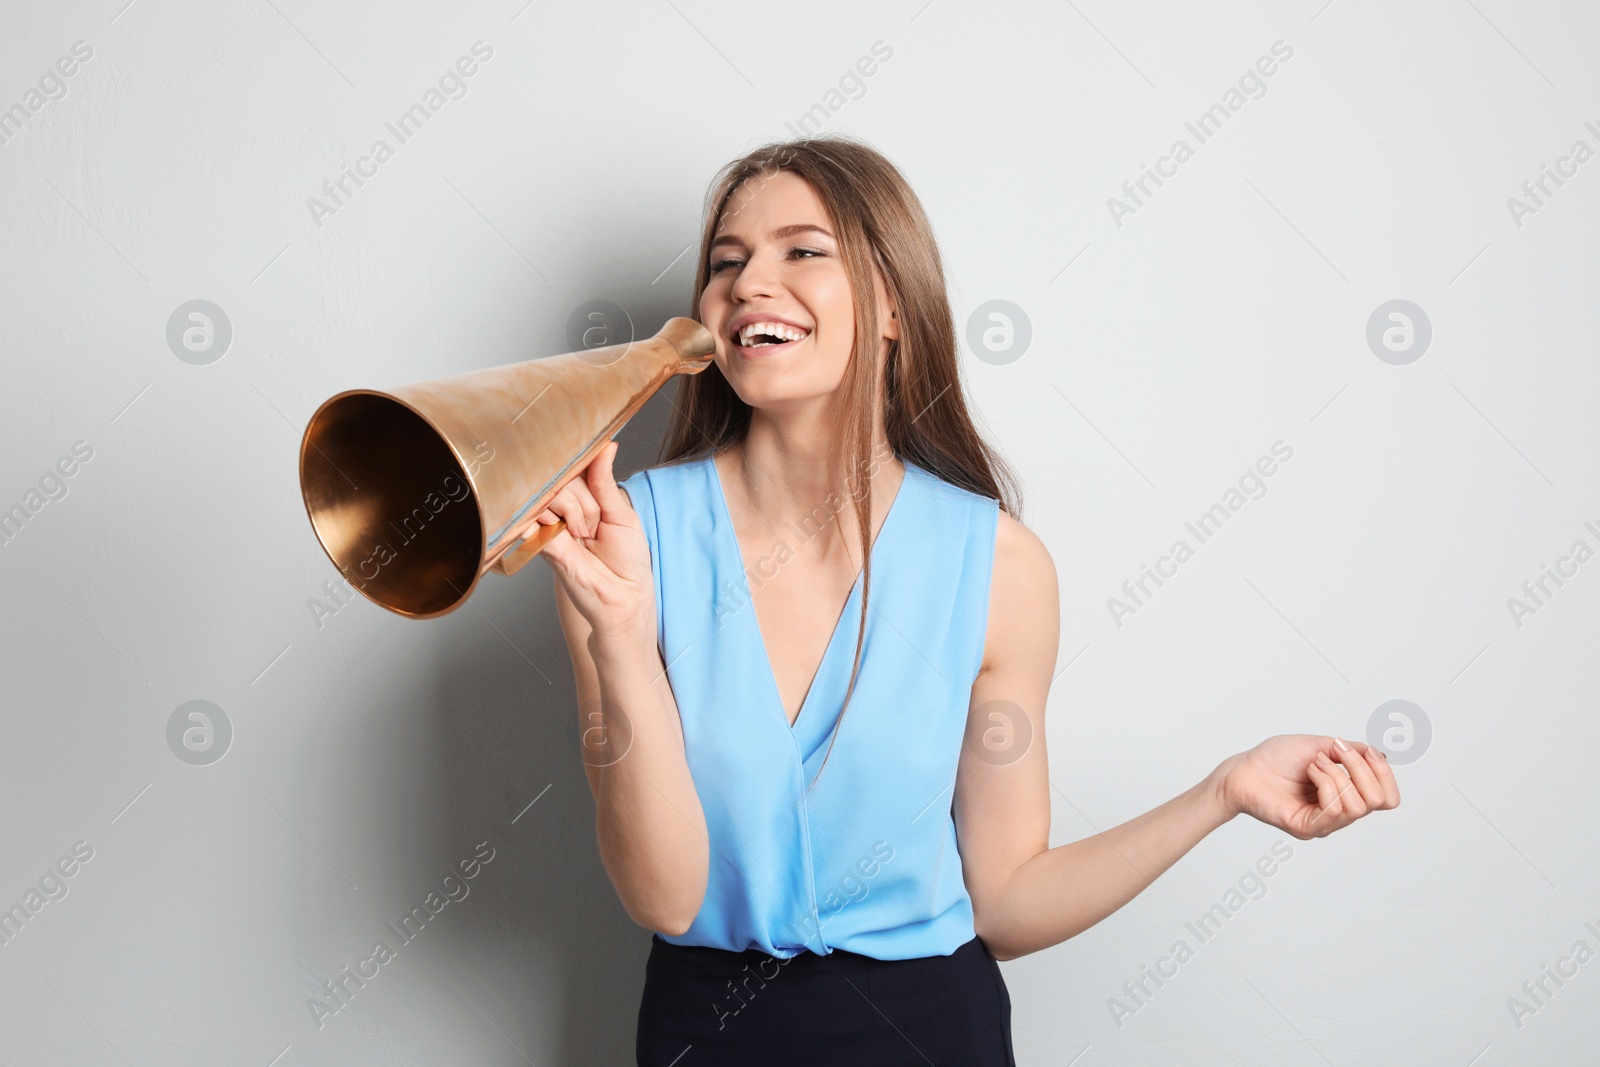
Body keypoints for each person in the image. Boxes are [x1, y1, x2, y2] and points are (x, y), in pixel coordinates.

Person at [529, 136, 1400, 1065]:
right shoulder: (622, 544)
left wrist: (1222, 791)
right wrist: (620, 634)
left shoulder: (1001, 568)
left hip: (933, 1031)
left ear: (894, 305)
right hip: (703, 1033)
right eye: (726, 263)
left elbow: (1008, 898)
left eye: (803, 250)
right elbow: (663, 897)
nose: (749, 284)